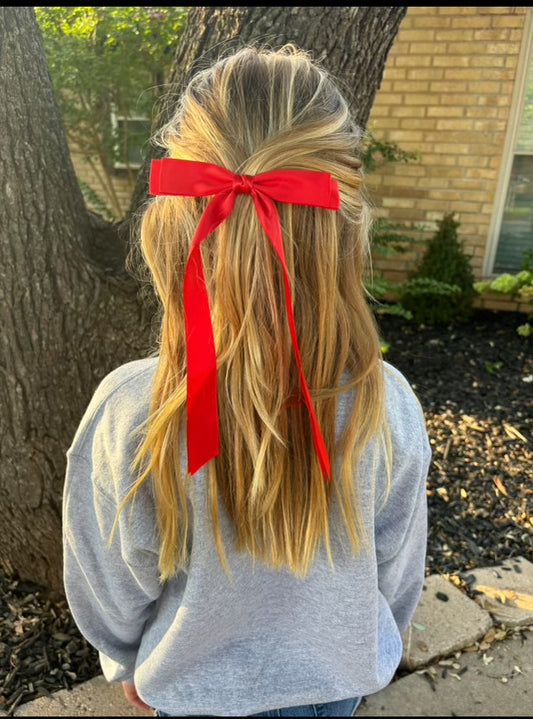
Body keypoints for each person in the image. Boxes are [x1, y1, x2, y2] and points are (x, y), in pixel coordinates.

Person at [62, 44, 431, 718]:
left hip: (192, 695)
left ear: (173, 223)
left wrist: (123, 661)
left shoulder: (129, 412)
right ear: (346, 232)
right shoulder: (389, 405)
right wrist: (367, 644)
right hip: (335, 687)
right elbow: (395, 577)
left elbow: (109, 585)